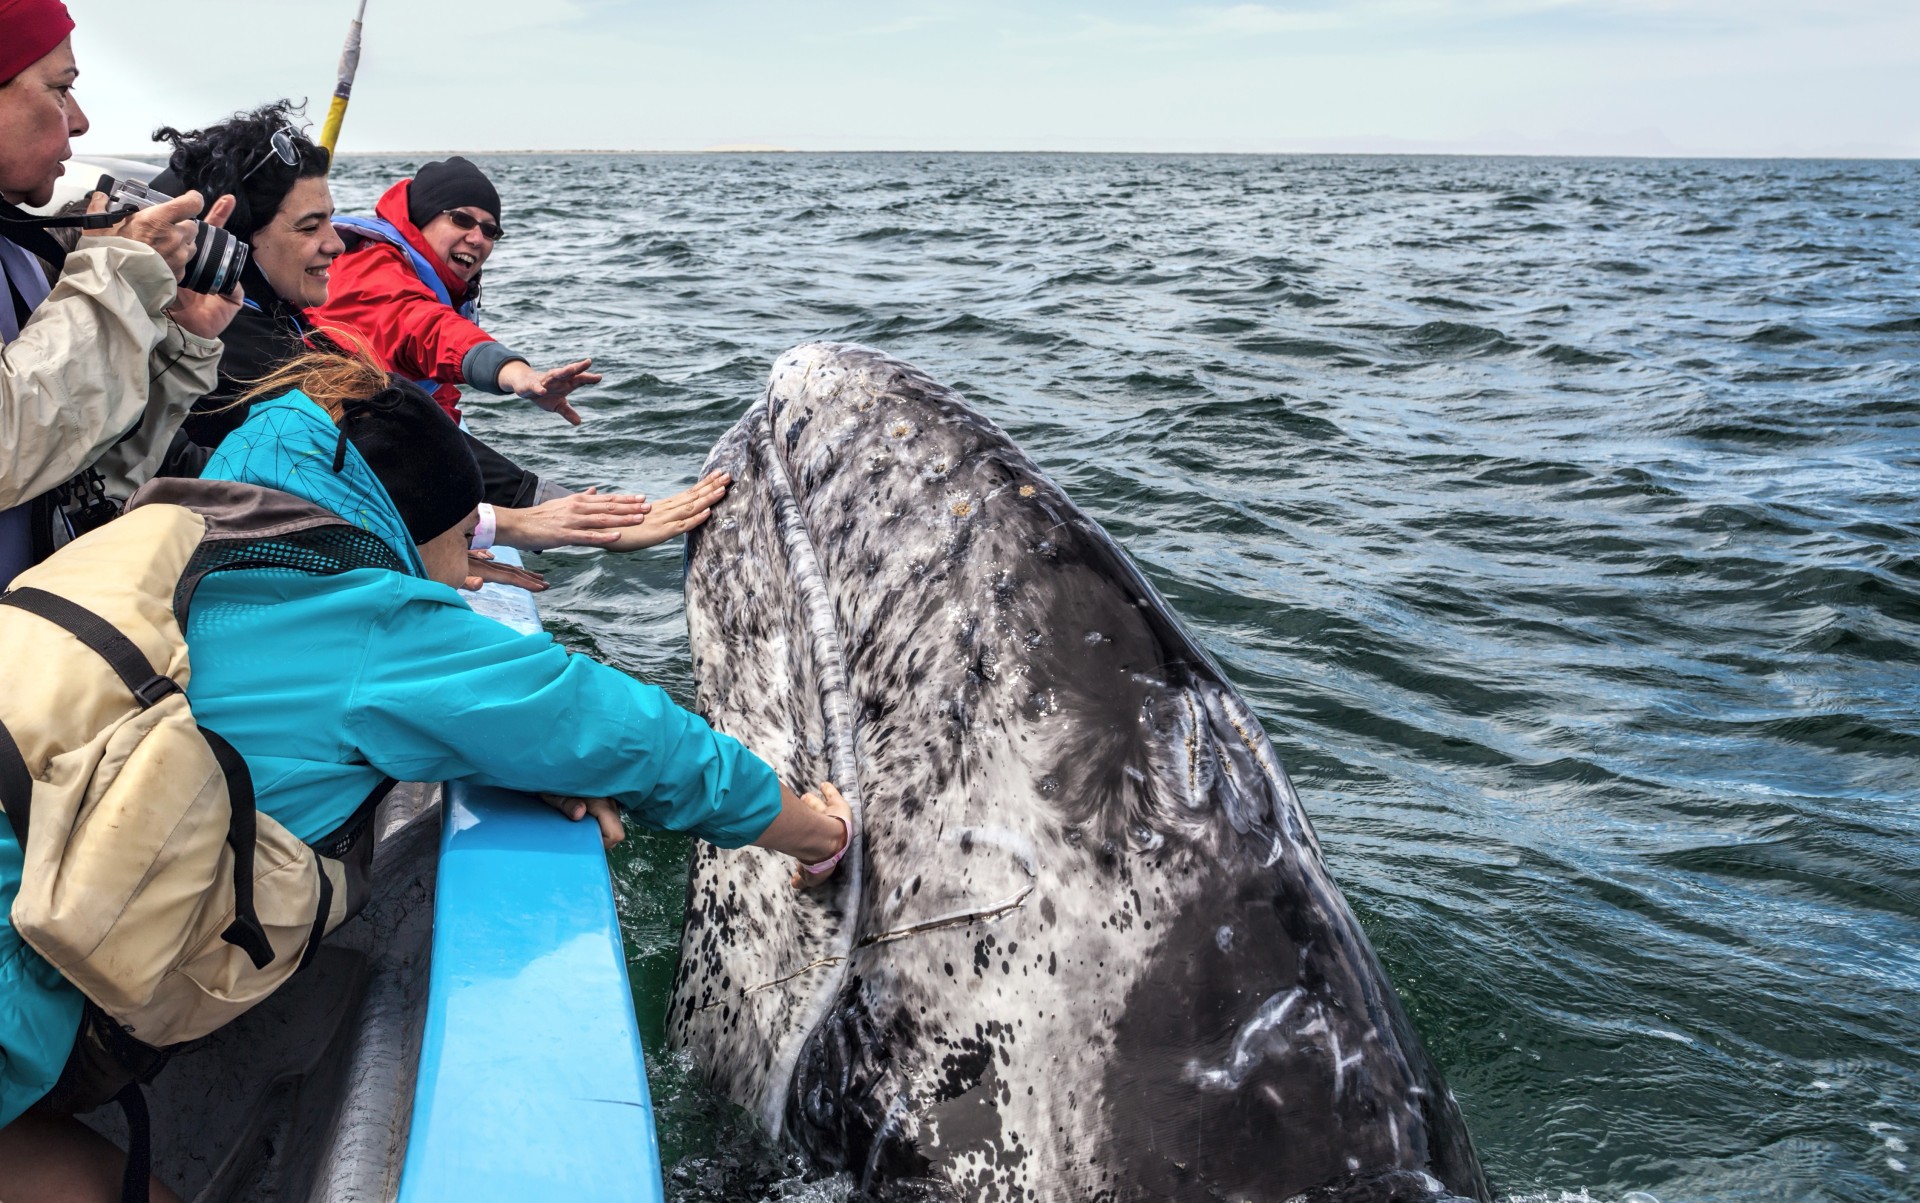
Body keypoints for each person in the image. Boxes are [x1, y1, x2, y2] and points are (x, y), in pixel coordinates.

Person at [0, 348, 853, 1201]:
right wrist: (816, 832)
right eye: (460, 537)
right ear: (407, 531)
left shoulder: (185, 528)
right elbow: (630, 733)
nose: (464, 567)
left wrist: (489, 747)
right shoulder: (368, 625)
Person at [150, 103, 722, 573]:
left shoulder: (271, 313)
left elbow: (382, 411)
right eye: (308, 227)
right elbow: (374, 401)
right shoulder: (237, 341)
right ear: (224, 242)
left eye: (491, 229)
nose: (336, 245)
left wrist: (518, 509)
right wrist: (513, 521)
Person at [0, 0, 238, 583]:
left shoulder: (21, 250)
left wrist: (173, 344)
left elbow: (73, 470)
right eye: (60, 90)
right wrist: (120, 275)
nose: (78, 121)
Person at [311, 155, 600, 428]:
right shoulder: (370, 268)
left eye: (490, 231)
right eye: (461, 220)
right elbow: (426, 330)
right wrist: (518, 375)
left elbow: (439, 402)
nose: (477, 239)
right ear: (423, 219)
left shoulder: (434, 283)